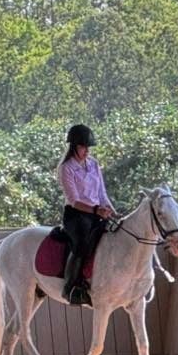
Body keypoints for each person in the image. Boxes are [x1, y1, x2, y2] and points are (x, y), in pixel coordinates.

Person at [57, 123, 116, 306]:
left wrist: (111, 210)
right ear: (74, 146)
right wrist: (95, 210)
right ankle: (72, 287)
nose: (87, 151)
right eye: (83, 147)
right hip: (76, 215)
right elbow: (74, 200)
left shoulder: (93, 165)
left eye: (88, 147)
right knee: (81, 244)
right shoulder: (66, 168)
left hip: (96, 212)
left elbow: (101, 193)